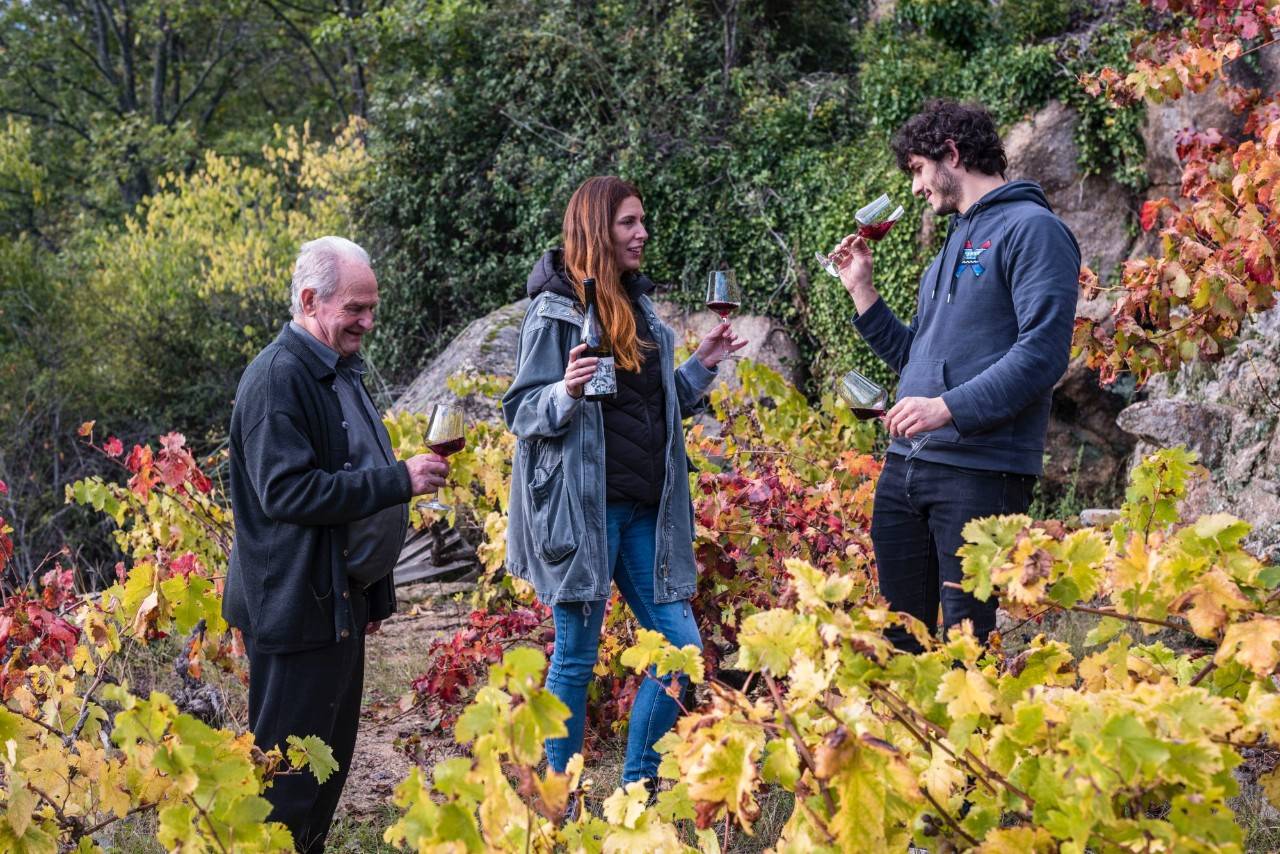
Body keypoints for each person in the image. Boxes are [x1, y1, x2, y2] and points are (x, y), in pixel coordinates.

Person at [503, 176, 746, 792]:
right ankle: (561, 803)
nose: (642, 234)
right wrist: (564, 390)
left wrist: (702, 364)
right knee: (576, 659)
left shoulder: (637, 306)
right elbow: (521, 412)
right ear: (596, 230)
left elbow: (657, 406)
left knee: (680, 652)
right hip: (579, 515)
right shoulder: (555, 312)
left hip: (643, 510)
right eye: (629, 223)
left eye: (642, 222)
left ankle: (636, 788)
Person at [223, 236, 449, 852]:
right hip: (294, 610)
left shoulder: (335, 371)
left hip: (336, 607)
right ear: (309, 300)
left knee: (324, 774)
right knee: (284, 789)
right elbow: (288, 494)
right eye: (355, 308)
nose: (367, 322)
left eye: (371, 308)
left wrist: (371, 598)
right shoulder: (278, 378)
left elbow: (353, 479)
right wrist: (398, 479)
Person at [831, 100, 1080, 652]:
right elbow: (917, 360)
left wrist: (946, 408)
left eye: (918, 169)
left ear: (952, 153)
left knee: (971, 650)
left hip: (981, 471)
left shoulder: (1034, 230)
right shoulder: (950, 247)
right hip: (906, 468)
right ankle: (908, 740)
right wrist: (862, 292)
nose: (917, 188)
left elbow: (1043, 354)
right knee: (899, 646)